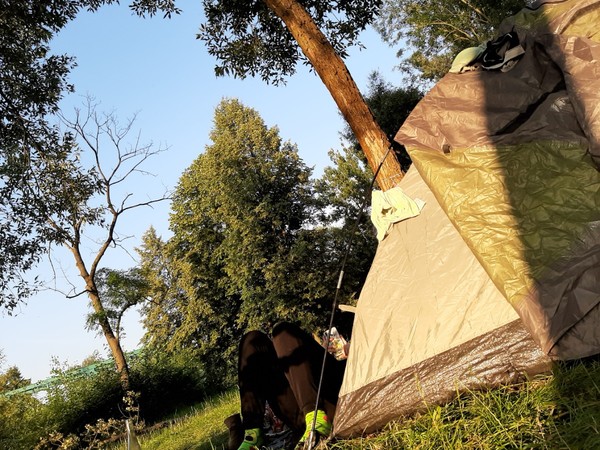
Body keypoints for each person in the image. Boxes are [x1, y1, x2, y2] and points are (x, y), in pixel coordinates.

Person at [231, 322, 348, 450]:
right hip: (300, 412)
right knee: (252, 340)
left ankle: (318, 420)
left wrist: (353, 350)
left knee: (283, 331)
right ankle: (252, 435)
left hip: (337, 400)